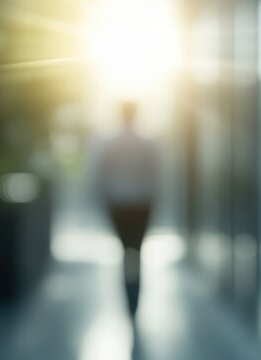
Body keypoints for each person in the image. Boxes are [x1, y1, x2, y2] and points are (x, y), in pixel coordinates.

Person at [95, 101, 159, 319]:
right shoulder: (147, 143)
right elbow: (154, 177)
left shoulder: (110, 143)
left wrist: (104, 202)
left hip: (119, 204)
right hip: (141, 203)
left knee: (125, 252)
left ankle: (128, 299)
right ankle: (135, 300)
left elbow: (102, 176)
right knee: (136, 252)